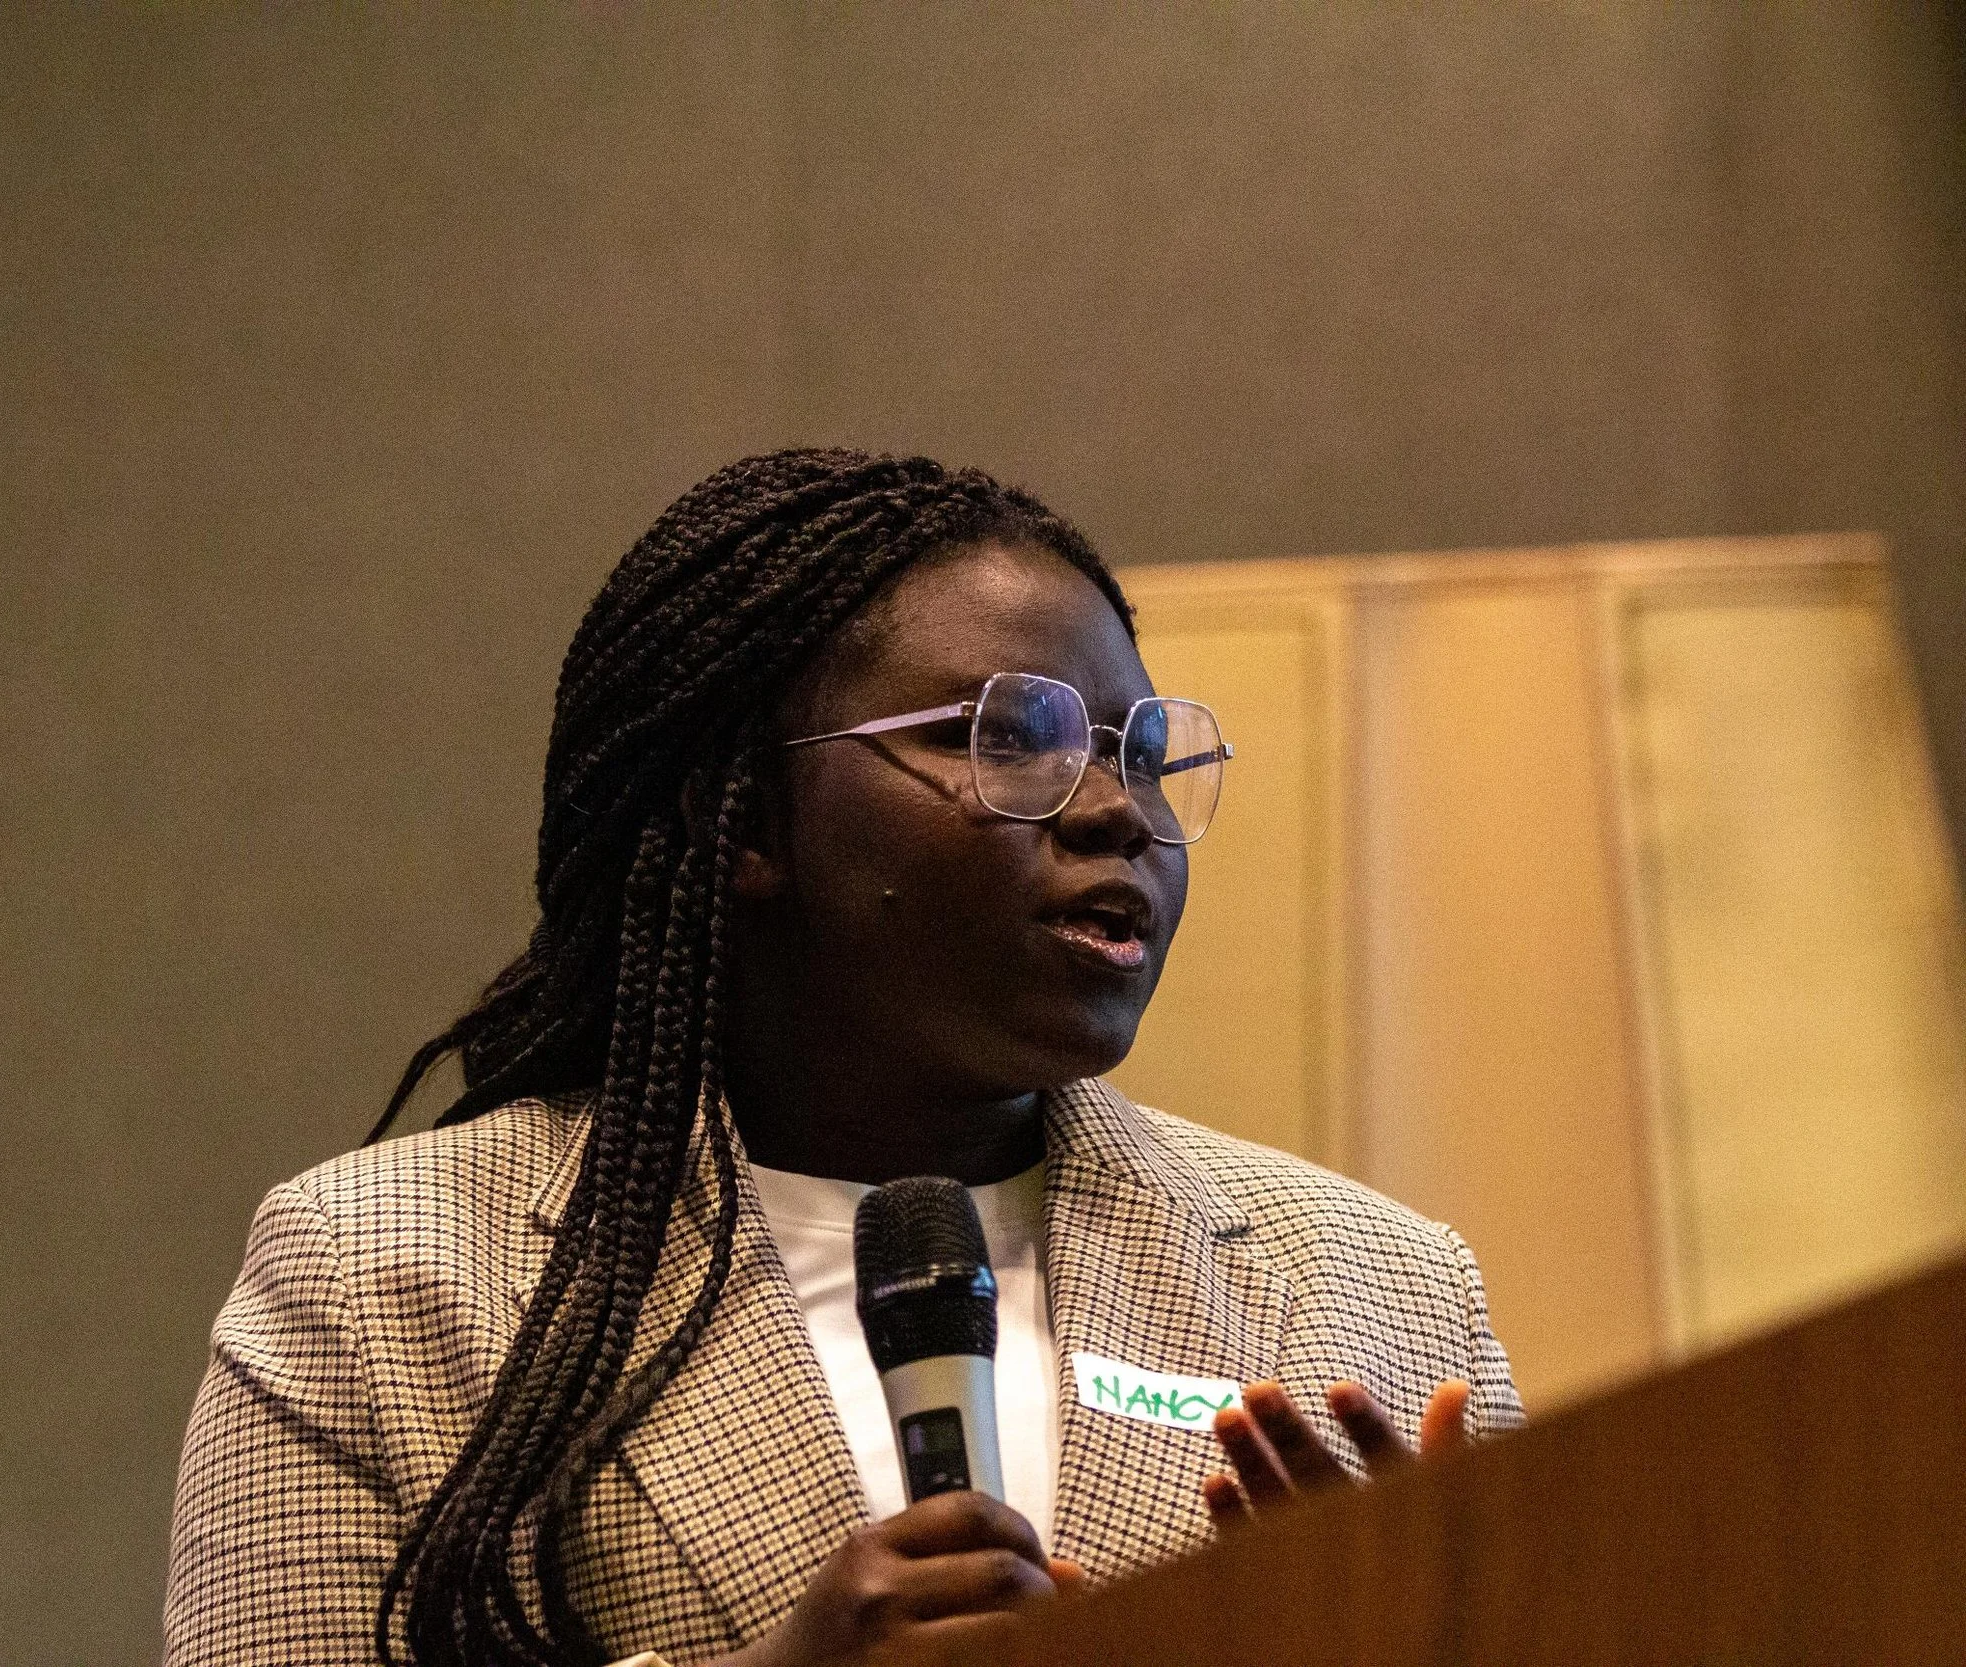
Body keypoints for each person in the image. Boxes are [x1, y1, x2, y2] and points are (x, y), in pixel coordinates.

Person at [164, 449, 1521, 1667]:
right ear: (744, 817)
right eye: (1007, 737)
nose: (1116, 809)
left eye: (1143, 754)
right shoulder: (385, 1278)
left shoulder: (1381, 1289)